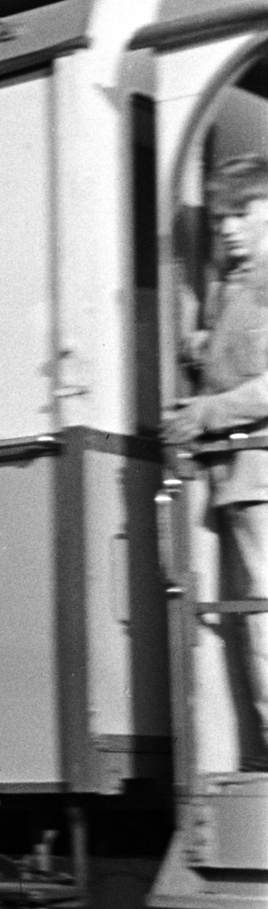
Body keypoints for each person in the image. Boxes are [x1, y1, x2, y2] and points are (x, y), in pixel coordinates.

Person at [163, 155, 268, 769]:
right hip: (241, 479)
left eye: (243, 212)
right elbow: (224, 354)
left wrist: (205, 413)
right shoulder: (235, 286)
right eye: (223, 215)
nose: (228, 227)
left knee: (262, 616)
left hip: (260, 475)